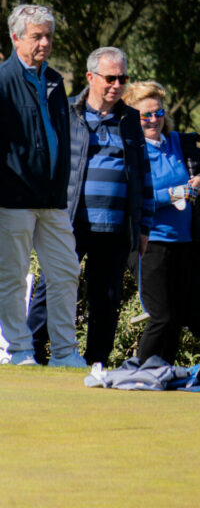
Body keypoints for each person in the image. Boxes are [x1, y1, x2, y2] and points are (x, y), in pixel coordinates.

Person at [27, 47, 154, 366]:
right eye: (110, 78)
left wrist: (143, 227)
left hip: (115, 228)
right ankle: (30, 352)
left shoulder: (130, 121)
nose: (117, 85)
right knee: (51, 288)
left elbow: (144, 177)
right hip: (68, 222)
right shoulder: (65, 112)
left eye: (122, 79)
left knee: (106, 301)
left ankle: (95, 363)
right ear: (91, 77)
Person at [0, 5, 83, 367]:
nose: (45, 43)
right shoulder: (2, 80)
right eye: (37, 36)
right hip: (13, 198)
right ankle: (18, 351)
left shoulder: (54, 80)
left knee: (66, 272)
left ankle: (65, 353)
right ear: (16, 38)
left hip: (52, 199)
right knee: (12, 278)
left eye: (48, 35)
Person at [123, 81, 200, 364]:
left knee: (177, 317)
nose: (153, 119)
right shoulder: (129, 150)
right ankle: (140, 372)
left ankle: (161, 373)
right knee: (160, 316)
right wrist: (171, 195)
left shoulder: (180, 143)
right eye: (145, 115)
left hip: (186, 242)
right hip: (150, 242)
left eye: (158, 112)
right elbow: (130, 200)